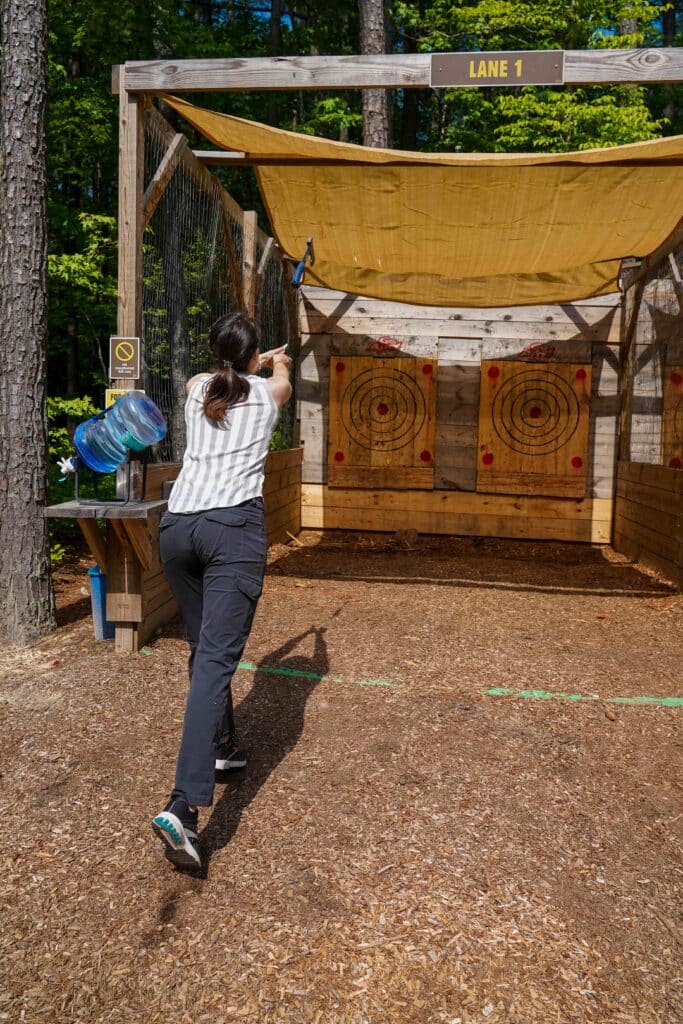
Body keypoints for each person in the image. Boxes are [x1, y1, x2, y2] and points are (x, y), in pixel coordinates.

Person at [152, 312, 292, 870]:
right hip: (230, 531)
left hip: (178, 530)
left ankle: (224, 748)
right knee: (214, 661)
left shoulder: (197, 391)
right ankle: (183, 806)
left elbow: (211, 378)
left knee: (202, 648)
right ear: (255, 358)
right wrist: (275, 362)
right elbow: (280, 382)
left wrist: (249, 359)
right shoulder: (266, 394)